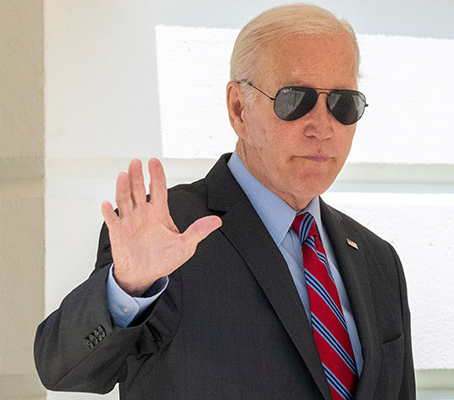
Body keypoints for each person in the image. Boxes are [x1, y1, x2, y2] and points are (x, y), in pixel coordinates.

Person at [34, 4, 416, 400]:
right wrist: (128, 287)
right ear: (238, 109)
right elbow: (62, 369)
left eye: (343, 103)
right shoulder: (171, 233)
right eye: (295, 100)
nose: (322, 127)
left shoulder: (378, 260)